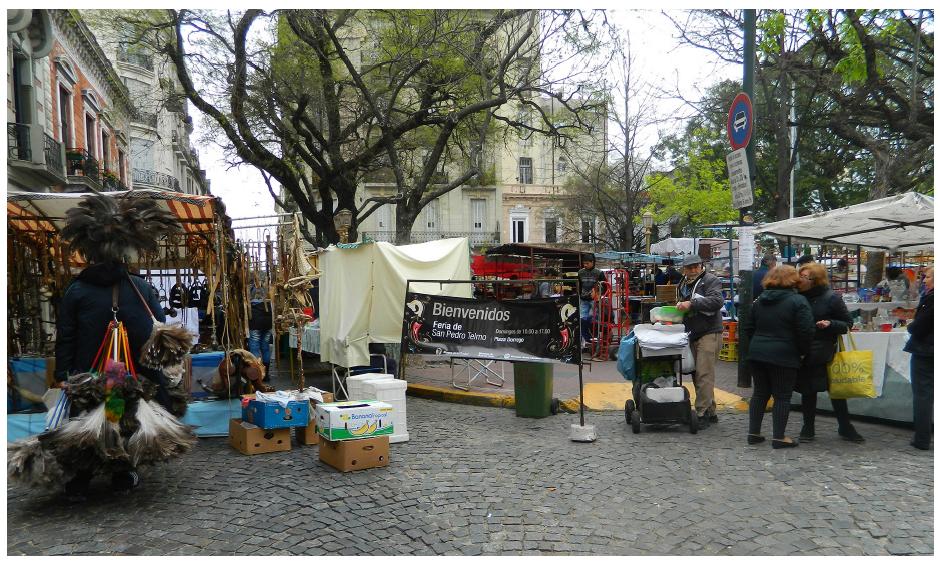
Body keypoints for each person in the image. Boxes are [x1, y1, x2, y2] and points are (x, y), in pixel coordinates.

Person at [52, 194, 192, 501]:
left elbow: (66, 335)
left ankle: (82, 476)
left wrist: (63, 374)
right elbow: (155, 331)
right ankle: (123, 472)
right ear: (126, 251)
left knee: (86, 423)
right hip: (129, 376)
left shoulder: (76, 291)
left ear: (89, 251)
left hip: (88, 377)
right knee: (123, 420)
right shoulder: (140, 288)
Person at [742, 265, 815, 448]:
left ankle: (754, 433)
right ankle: (779, 437)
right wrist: (802, 351)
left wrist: (757, 344)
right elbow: (805, 331)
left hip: (757, 353)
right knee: (782, 396)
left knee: (759, 394)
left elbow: (748, 327)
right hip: (784, 354)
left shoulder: (759, 301)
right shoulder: (798, 301)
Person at [796, 262, 864, 443]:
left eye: (804, 277)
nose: (799, 280)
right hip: (805, 351)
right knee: (808, 391)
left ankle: (845, 426)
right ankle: (807, 427)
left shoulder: (831, 297)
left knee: (837, 390)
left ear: (815, 280)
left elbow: (847, 323)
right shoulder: (796, 296)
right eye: (800, 276)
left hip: (826, 351)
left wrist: (830, 324)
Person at [676, 255, 724, 428]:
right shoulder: (683, 283)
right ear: (684, 269)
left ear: (701, 266)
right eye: (690, 268)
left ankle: (701, 413)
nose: (693, 270)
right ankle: (711, 411)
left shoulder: (711, 280)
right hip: (693, 332)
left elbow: (717, 301)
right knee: (698, 374)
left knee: (704, 373)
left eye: (696, 266)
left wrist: (691, 304)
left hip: (710, 331)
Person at [904, 266, 933, 450]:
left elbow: (921, 325)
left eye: (928, 277)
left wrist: (911, 327)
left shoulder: (932, 299)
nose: (924, 280)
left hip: (926, 350)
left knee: (922, 395)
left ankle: (922, 438)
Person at [577, 255, 606, 350]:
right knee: (582, 319)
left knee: (595, 319)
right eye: (584, 263)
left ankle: (596, 339)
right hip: (583, 299)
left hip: (595, 299)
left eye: (587, 263)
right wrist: (580, 294)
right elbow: (579, 285)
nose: (585, 265)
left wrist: (597, 294)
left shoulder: (599, 272)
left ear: (592, 262)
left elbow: (604, 286)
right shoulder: (580, 272)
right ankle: (585, 341)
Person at [248, 292, 274, 380]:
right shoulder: (268, 299)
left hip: (256, 323)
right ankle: (266, 374)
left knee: (255, 347)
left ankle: (258, 374)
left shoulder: (251, 301)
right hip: (268, 322)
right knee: (265, 347)